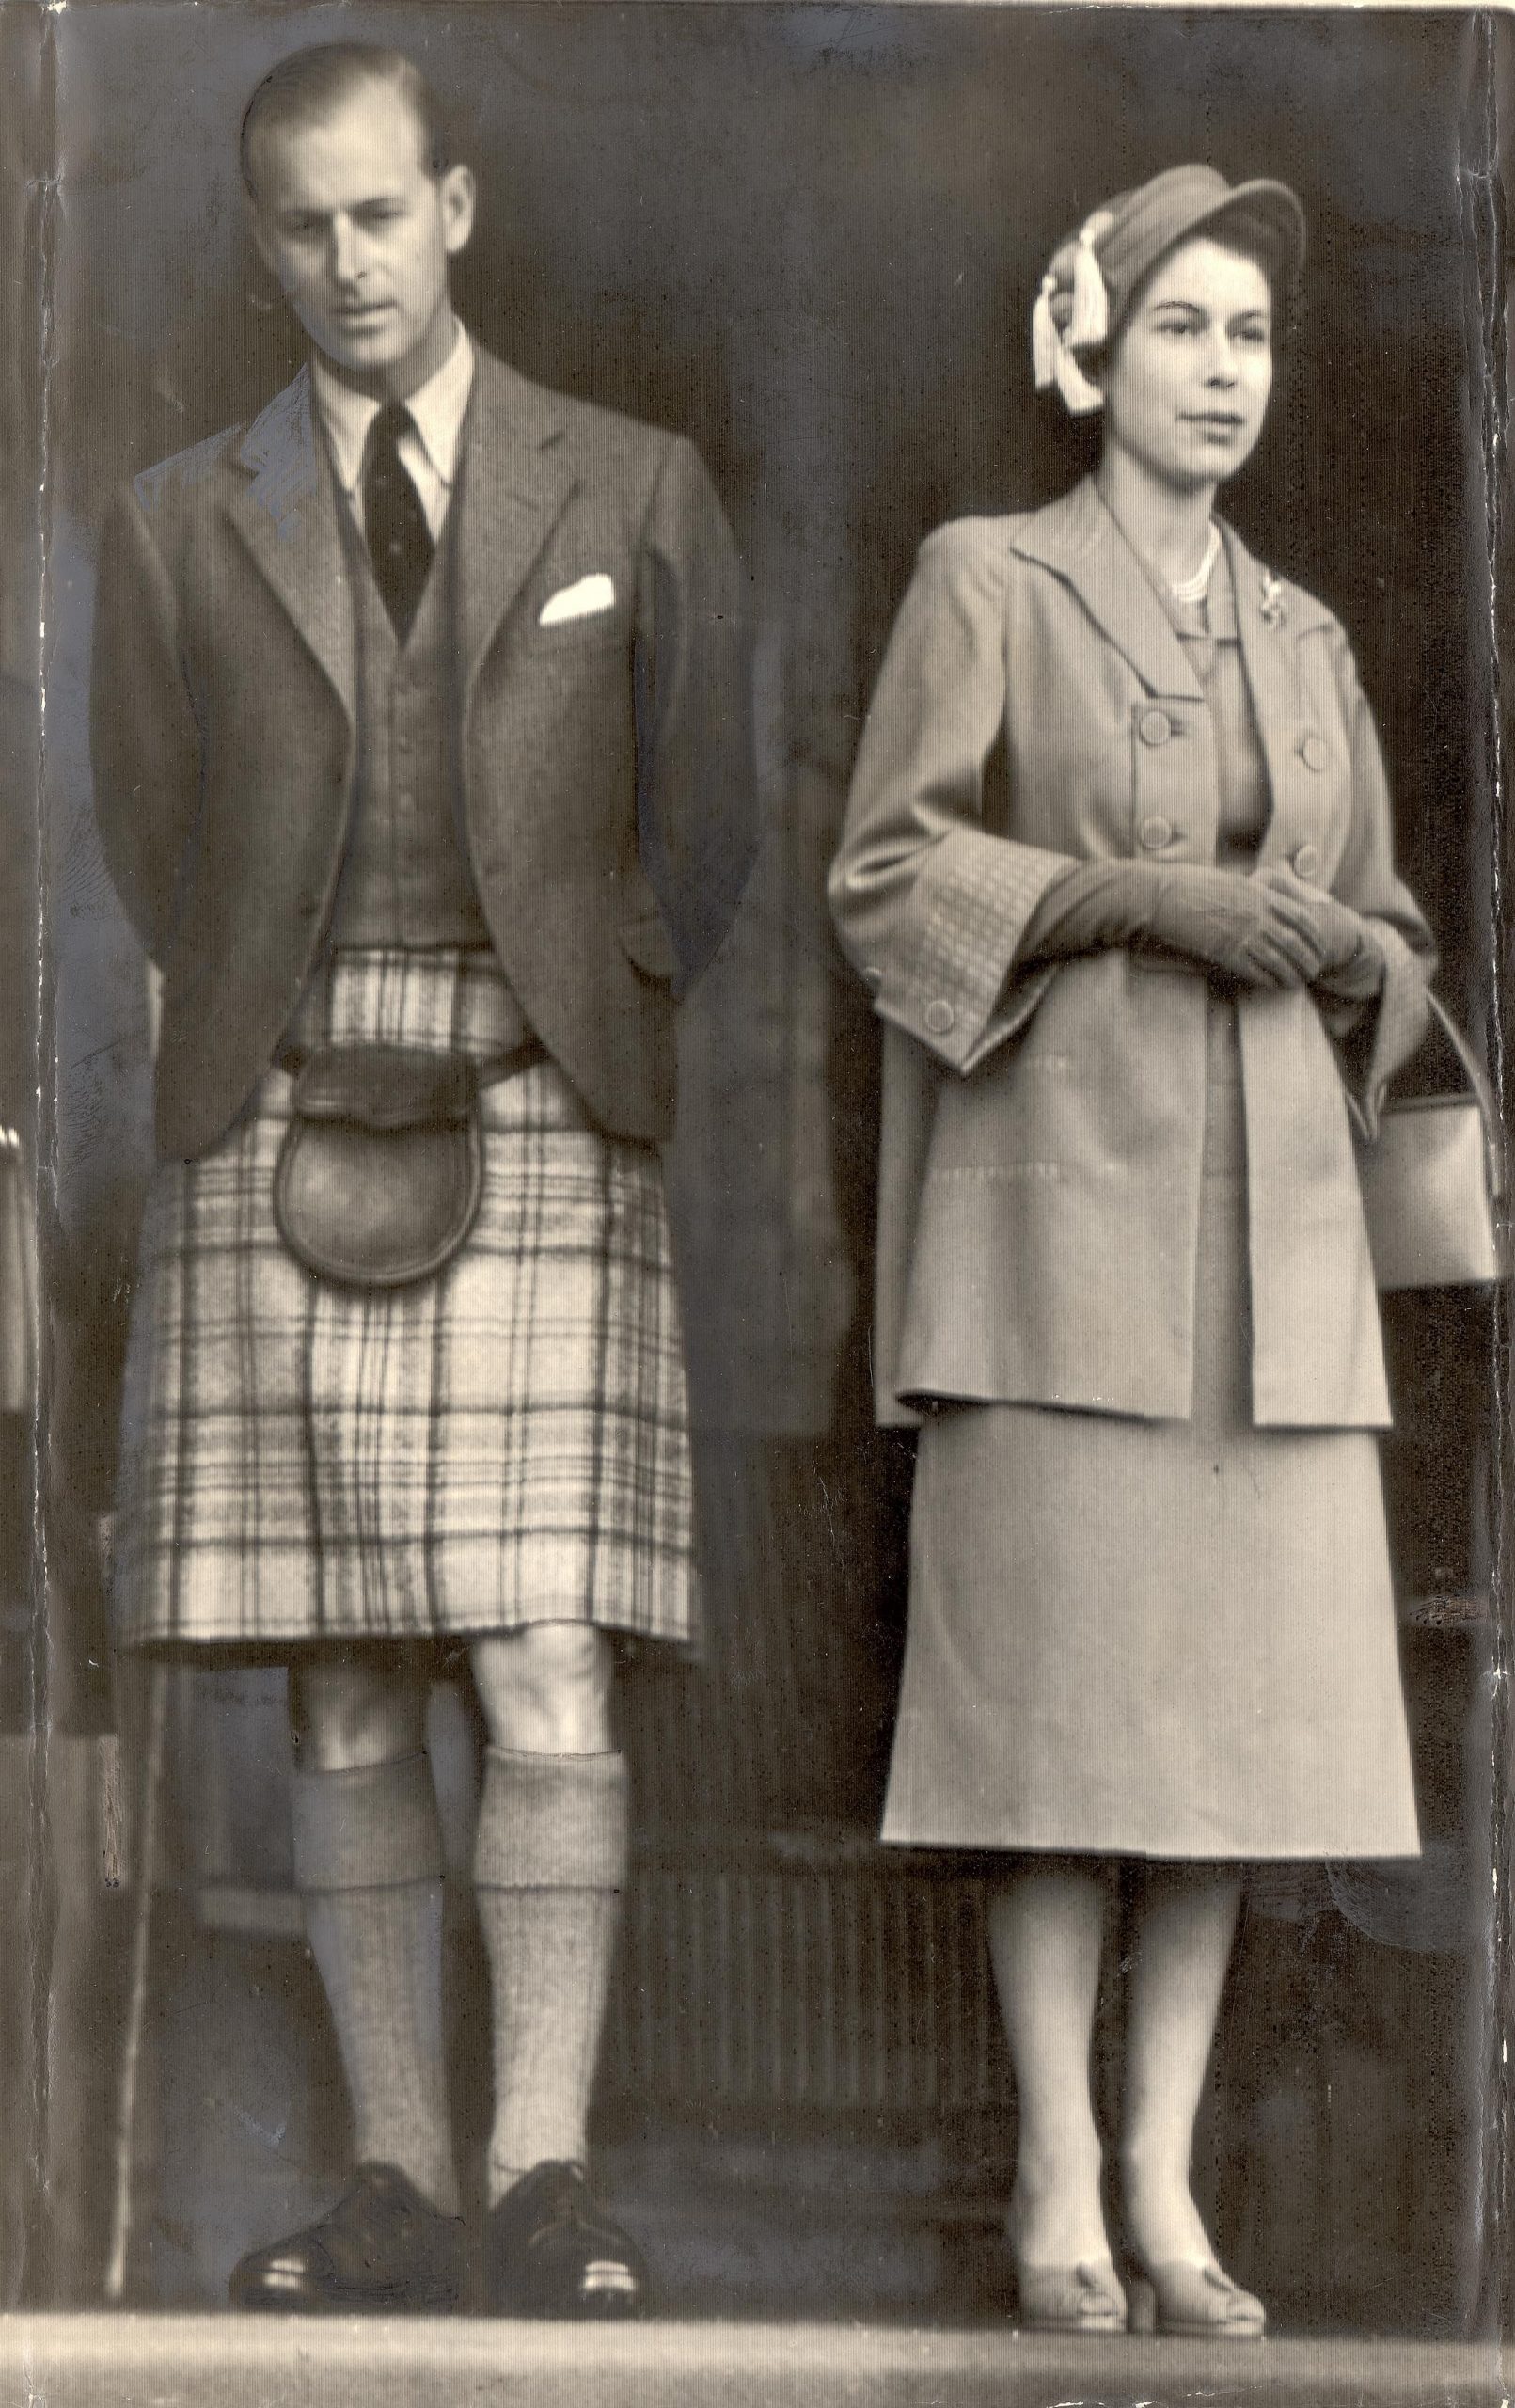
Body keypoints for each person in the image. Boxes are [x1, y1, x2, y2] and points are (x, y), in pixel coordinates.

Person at [91, 41, 752, 2317]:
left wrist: (575, 1002)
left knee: (547, 1649)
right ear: (262, 241)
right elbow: (147, 828)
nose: (347, 263)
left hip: (538, 1084)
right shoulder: (181, 516)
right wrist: (285, 1018)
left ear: (454, 207)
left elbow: (709, 832)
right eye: (303, 226)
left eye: (382, 214)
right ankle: (388, 2173)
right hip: (282, 1095)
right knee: (346, 1680)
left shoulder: (637, 486)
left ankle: (540, 2174)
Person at [829, 166, 1433, 2337]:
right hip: (1052, 1252)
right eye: (1179, 325)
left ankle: (1166, 2180)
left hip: (1270, 1271)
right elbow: (884, 876)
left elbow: (1388, 935)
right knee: (1062, 1743)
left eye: (1248, 336)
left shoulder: (1304, 638)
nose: (1218, 372)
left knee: (1225, 1757)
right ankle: (1053, 2169)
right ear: (1090, 341)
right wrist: (1126, 900)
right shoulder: (986, 580)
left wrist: (1338, 945)